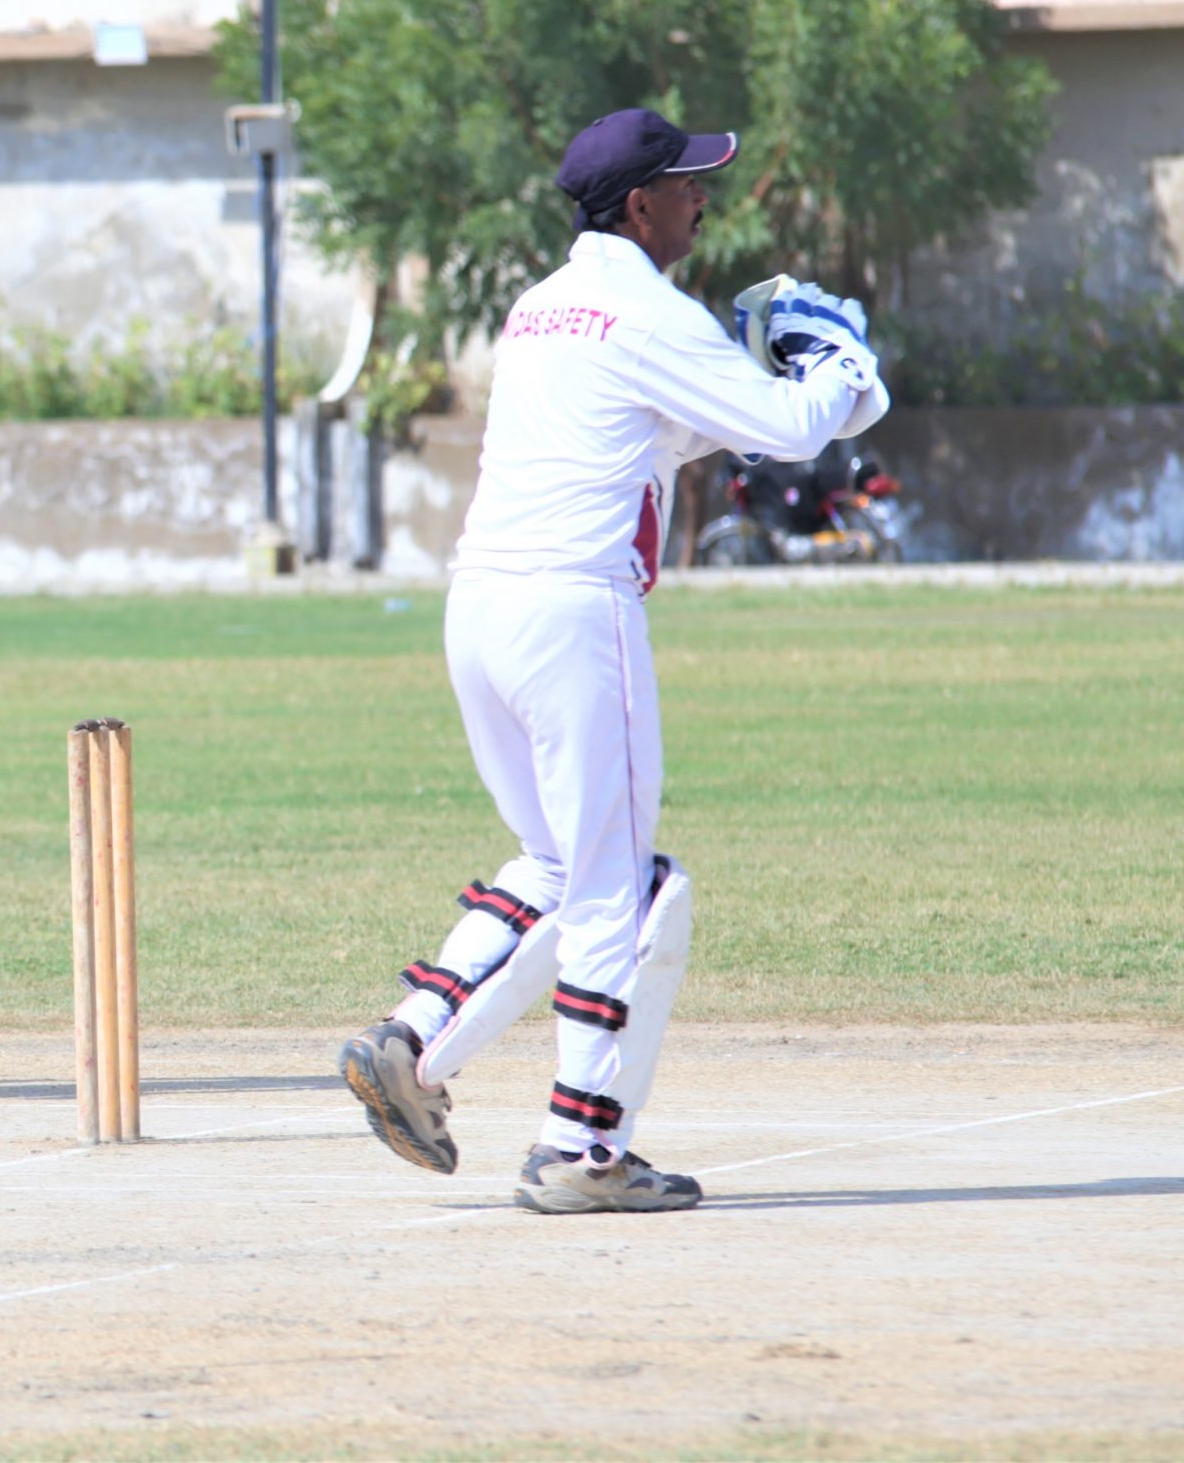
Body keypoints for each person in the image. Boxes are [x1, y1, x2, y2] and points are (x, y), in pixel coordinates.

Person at [337, 109, 888, 1212]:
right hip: (574, 615)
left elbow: (696, 425)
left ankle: (410, 1038)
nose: (702, 199)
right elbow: (788, 430)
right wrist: (838, 363)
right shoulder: (650, 312)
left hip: (481, 611)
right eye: (687, 184)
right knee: (624, 895)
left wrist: (786, 386)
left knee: (554, 865)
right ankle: (582, 1153)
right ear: (639, 206)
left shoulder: (539, 309)